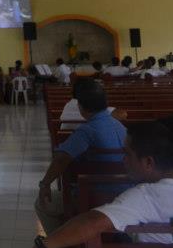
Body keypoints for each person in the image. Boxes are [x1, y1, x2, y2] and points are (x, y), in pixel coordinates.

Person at [40, 122, 173, 247]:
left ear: (148, 162)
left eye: (127, 153)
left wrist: (42, 245)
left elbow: (92, 222)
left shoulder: (143, 195)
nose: (123, 159)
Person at [36, 79, 127, 234]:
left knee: (42, 204)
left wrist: (45, 184)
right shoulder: (120, 126)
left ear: (80, 107)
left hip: (94, 195)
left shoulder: (87, 131)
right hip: (125, 194)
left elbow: (61, 159)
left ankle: (61, 241)